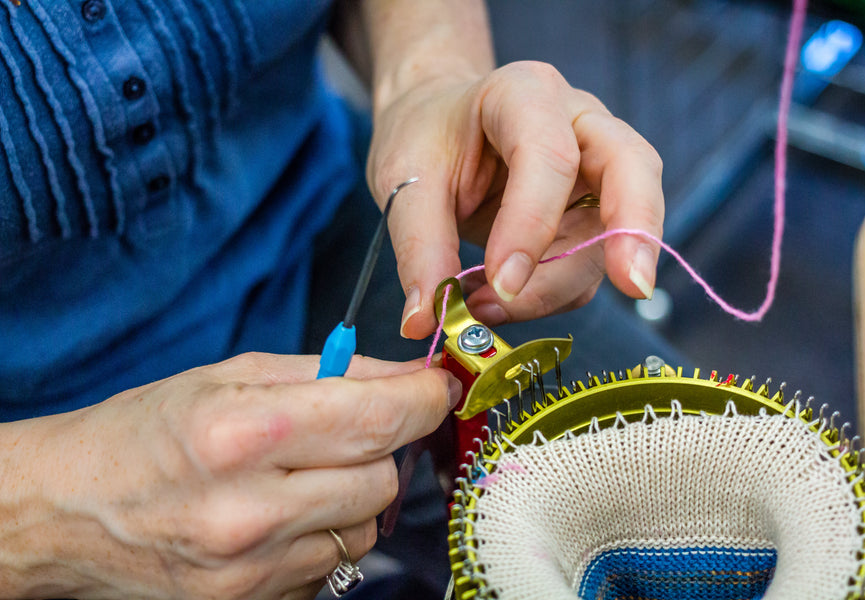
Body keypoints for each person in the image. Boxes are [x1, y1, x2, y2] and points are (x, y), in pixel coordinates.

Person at [0, 1, 666, 598]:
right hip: (47, 452)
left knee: (688, 491)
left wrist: (429, 76)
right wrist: (39, 519)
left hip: (328, 216)